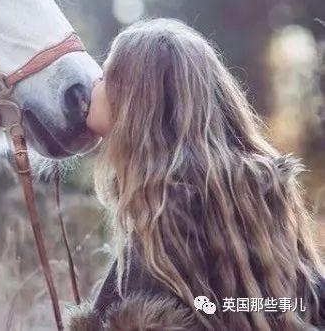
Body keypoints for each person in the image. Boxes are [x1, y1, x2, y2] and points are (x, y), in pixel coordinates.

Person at [70, 18, 325, 330]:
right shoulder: (253, 194)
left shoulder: (163, 213)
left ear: (136, 103)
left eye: (107, 76)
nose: (94, 84)